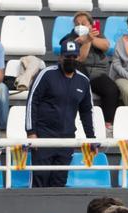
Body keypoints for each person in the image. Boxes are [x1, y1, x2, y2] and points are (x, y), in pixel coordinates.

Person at [26, 39, 96, 188]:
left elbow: (86, 111)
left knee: (59, 182)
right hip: (44, 138)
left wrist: (91, 138)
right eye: (67, 57)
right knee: (40, 181)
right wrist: (31, 132)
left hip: (67, 140)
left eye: (74, 57)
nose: (71, 60)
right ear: (60, 57)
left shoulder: (83, 81)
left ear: (79, 57)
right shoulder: (46, 74)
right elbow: (32, 101)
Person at [60, 11, 120, 130]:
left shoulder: (97, 35)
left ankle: (108, 126)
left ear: (91, 25)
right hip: (80, 72)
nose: (80, 25)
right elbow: (80, 59)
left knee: (112, 89)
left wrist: (91, 39)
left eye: (83, 23)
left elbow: (106, 46)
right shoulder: (69, 38)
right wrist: (86, 41)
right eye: (77, 23)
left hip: (98, 74)